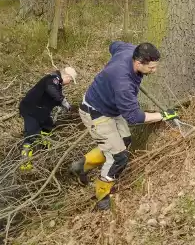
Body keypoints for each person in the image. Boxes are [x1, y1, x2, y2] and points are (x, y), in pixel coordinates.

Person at [69, 41, 178, 210]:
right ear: (138, 62)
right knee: (119, 157)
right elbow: (134, 117)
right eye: (151, 68)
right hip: (95, 113)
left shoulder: (128, 50)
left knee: (125, 141)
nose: (154, 71)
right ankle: (102, 197)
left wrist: (112, 68)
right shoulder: (123, 84)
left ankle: (81, 166)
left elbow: (113, 45)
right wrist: (162, 115)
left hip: (111, 106)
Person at [18, 67, 77, 170]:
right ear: (67, 76)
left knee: (48, 126)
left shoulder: (57, 83)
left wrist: (65, 106)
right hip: (31, 110)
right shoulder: (53, 79)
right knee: (31, 135)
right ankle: (25, 164)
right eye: (70, 80)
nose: (69, 83)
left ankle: (45, 148)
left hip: (41, 111)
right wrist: (64, 102)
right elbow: (51, 90)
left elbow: (54, 97)